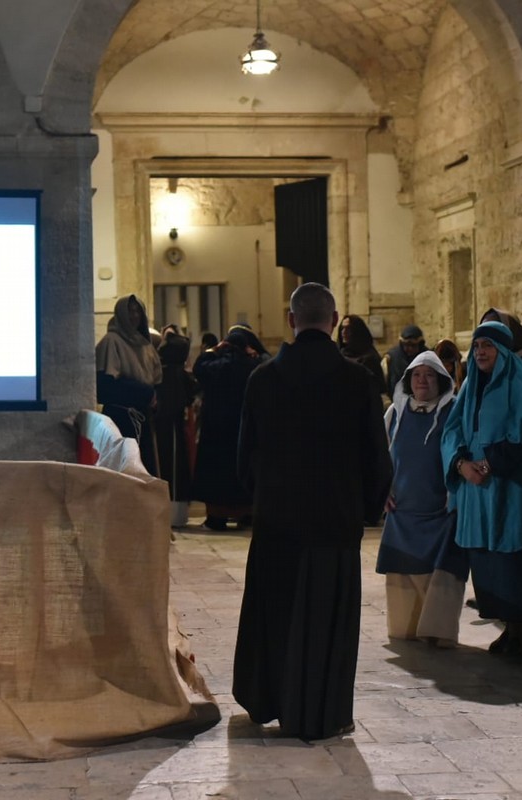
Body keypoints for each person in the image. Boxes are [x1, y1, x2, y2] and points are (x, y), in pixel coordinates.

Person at [233, 282, 392, 741]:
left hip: (277, 522)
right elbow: (377, 457)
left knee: (276, 616)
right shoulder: (357, 380)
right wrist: (365, 509)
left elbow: (244, 458)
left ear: (291, 320)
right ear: (335, 320)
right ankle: (325, 713)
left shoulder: (263, 379)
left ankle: (271, 700)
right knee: (329, 624)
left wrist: (263, 498)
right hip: (334, 525)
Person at [441, 320, 522, 658]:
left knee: (511, 559)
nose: (480, 352)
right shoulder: (471, 384)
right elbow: (452, 429)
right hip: (476, 489)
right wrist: (461, 464)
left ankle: (518, 631)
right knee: (486, 560)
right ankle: (506, 628)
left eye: (487, 345)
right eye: (476, 346)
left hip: (509, 487)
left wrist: (487, 465)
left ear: (502, 349)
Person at [377, 350, 468, 647]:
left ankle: (436, 633)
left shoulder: (454, 412)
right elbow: (380, 456)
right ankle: (406, 628)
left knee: (442, 576)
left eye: (429, 375)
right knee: (402, 572)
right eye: (417, 375)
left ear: (441, 380)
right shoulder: (395, 413)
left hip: (442, 511)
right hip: (402, 510)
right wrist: (382, 490)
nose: (422, 381)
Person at [191, 325, 264, 531]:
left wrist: (213, 350)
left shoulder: (215, 365)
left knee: (217, 473)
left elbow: (198, 367)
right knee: (241, 469)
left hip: (216, 428)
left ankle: (217, 518)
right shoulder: (252, 365)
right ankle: (246, 514)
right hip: (241, 427)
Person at [95, 295, 163, 475]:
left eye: (138, 311)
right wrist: (145, 393)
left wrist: (154, 397)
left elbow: (155, 379)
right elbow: (105, 386)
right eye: (130, 311)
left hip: (143, 416)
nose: (134, 316)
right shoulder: (111, 341)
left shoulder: (145, 344)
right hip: (121, 418)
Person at [155, 328, 198, 528]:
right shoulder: (180, 374)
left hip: (163, 427)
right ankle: (177, 512)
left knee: (167, 465)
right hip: (176, 427)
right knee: (176, 466)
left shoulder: (162, 373)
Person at [336, 313, 386, 397]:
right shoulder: (340, 354)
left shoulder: (369, 358)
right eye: (342, 328)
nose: (344, 332)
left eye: (348, 329)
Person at [382, 324, 429, 398]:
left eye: (413, 345)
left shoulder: (429, 358)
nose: (409, 349)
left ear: (420, 344)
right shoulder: (391, 358)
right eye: (406, 345)